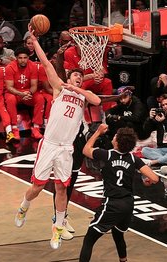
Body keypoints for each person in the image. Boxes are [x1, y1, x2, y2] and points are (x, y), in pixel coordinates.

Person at [14, 25, 101, 250]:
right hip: (50, 144)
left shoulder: (83, 96)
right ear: (68, 77)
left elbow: (97, 101)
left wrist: (79, 89)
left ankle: (58, 228)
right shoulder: (58, 89)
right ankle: (24, 205)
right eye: (75, 76)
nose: (78, 79)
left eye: (81, 78)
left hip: (66, 148)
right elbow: (45, 63)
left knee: (62, 188)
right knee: (38, 187)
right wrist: (34, 40)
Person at [80, 124, 159, 261]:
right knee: (118, 234)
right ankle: (124, 260)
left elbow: (86, 150)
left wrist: (98, 132)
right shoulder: (134, 159)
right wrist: (148, 181)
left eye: (116, 135)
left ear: (117, 141)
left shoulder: (107, 154)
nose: (114, 136)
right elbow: (154, 178)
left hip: (112, 203)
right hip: (128, 204)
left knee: (89, 239)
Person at [4, 47, 44, 140]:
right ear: (16, 58)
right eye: (20, 58)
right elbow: (9, 87)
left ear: (28, 58)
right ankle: (14, 128)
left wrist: (28, 93)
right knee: (10, 99)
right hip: (15, 92)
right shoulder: (9, 67)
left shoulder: (33, 66)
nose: (23, 60)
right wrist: (20, 94)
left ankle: (36, 128)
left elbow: (34, 85)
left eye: (25, 58)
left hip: (28, 91)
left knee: (40, 98)